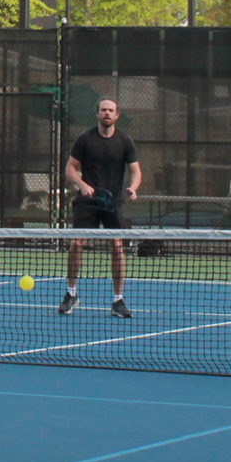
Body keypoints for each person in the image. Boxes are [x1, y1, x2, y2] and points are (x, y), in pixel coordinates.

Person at [59, 97, 141, 318]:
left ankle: (118, 300)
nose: (107, 113)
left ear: (116, 115)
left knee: (117, 246)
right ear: (97, 114)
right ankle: (71, 293)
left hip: (113, 202)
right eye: (103, 110)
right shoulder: (85, 140)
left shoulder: (125, 141)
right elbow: (70, 168)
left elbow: (136, 170)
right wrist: (83, 185)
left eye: (111, 110)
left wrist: (133, 188)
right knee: (76, 243)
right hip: (87, 202)